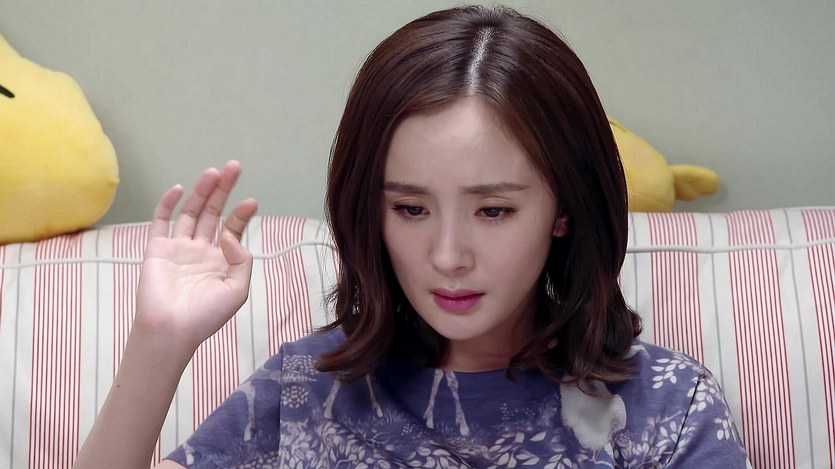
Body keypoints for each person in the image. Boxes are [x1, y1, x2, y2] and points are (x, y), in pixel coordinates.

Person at [74, 5, 751, 468]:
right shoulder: (307, 387)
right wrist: (159, 341)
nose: (447, 257)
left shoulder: (667, 404)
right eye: (409, 209)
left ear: (563, 209)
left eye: (493, 211)